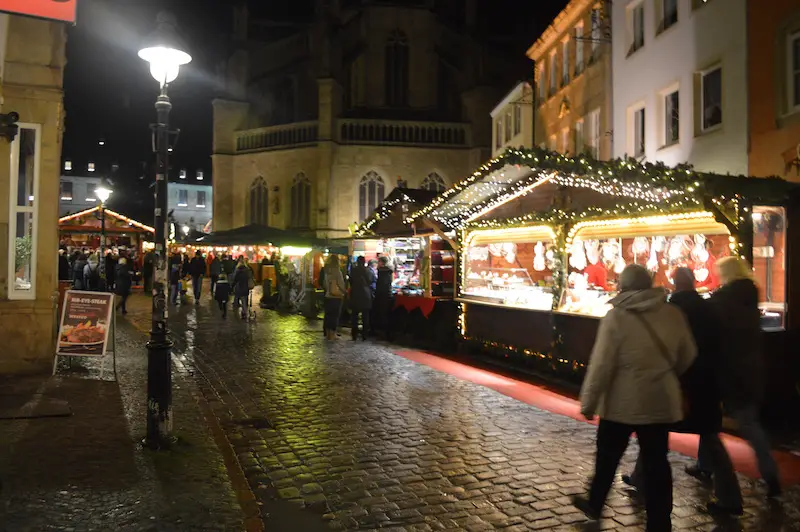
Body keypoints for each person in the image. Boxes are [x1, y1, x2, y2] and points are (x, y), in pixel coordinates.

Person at [572, 264, 696, 532]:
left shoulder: (616, 318)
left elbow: (601, 364)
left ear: (623, 286)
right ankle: (660, 522)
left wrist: (589, 402)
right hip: (659, 402)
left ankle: (595, 503)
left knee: (607, 457)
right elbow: (688, 354)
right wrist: (664, 374)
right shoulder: (672, 314)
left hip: (621, 404)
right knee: (657, 464)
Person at [623, 267, 743, 515]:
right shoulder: (709, 308)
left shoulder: (670, 310)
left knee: (655, 433)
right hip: (706, 383)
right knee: (710, 438)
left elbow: (672, 348)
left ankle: (643, 481)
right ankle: (730, 497)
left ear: (675, 284)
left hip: (678, 382)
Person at [708, 256, 781, 498]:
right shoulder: (750, 296)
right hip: (751, 367)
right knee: (745, 421)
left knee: (731, 422)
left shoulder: (723, 300)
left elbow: (715, 333)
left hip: (728, 369)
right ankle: (705, 465)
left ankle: (770, 474)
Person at [349, 256, 376, 341]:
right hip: (365, 295)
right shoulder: (368, 270)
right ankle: (364, 335)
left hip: (355, 295)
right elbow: (371, 280)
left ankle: (354, 335)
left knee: (354, 316)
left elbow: (350, 281)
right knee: (365, 316)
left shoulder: (353, 270)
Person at [323, 255, 346, 340]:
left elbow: (325, 284)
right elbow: (341, 284)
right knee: (334, 316)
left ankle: (328, 334)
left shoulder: (327, 271)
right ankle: (333, 334)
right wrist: (344, 292)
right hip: (335, 297)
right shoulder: (337, 271)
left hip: (328, 296)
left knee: (328, 315)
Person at [373, 256, 394, 339]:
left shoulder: (381, 272)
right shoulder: (389, 271)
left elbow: (380, 285)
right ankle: (387, 333)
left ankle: (383, 332)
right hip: (388, 295)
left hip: (382, 295)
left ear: (381, 262)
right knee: (387, 314)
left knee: (382, 314)